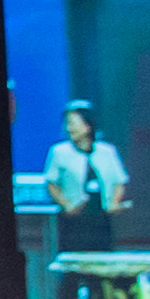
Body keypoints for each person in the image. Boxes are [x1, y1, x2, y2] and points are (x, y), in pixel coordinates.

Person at [41, 102, 129, 258]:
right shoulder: (59, 152)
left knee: (101, 264)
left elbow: (119, 180)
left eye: (73, 123)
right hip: (74, 219)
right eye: (67, 124)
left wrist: (114, 202)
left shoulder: (106, 151)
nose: (69, 128)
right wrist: (67, 205)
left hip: (101, 219)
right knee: (72, 268)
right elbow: (51, 183)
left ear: (88, 125)